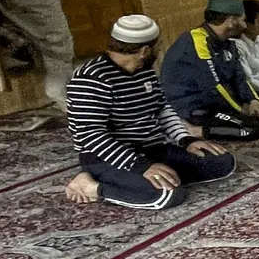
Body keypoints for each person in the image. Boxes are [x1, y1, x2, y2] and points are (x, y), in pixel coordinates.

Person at [62, 14, 234, 209]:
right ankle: (92, 186)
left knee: (221, 161)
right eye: (157, 46)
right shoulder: (90, 79)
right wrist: (141, 166)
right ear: (145, 50)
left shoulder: (144, 71)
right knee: (166, 195)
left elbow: (162, 109)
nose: (159, 50)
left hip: (152, 150)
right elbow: (91, 135)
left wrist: (186, 140)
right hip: (109, 159)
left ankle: (150, 179)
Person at [160, 0, 259, 141]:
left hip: (218, 101)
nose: (245, 25)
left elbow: (239, 76)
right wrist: (241, 110)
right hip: (194, 106)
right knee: (251, 130)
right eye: (243, 20)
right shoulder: (197, 41)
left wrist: (253, 101)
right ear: (231, 21)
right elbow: (213, 87)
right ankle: (197, 130)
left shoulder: (227, 42)